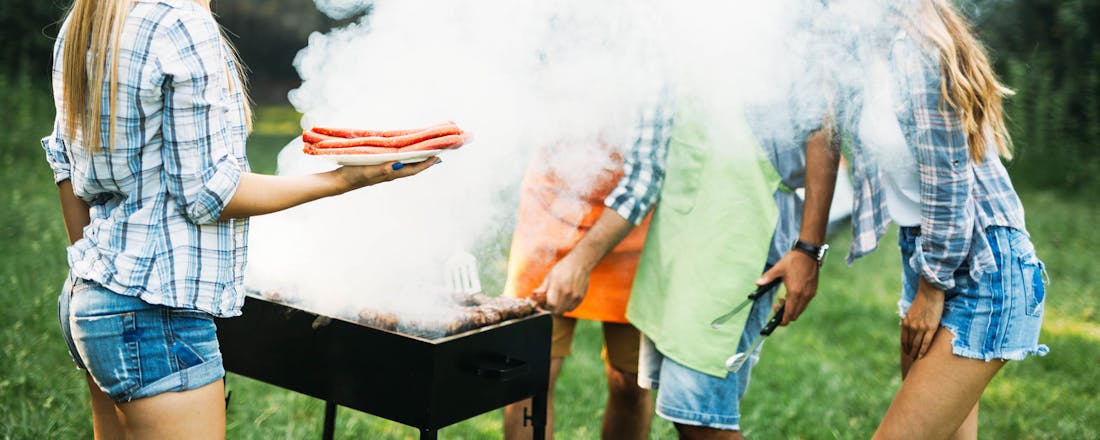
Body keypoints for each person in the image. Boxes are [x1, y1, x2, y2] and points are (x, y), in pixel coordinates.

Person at [44, 0, 439, 438]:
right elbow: (211, 193)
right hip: (157, 317)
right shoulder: (182, 23)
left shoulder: (90, 18)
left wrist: (102, 276)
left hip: (93, 297)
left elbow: (65, 164)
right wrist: (346, 180)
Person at [535, 90, 838, 438]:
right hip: (683, 240)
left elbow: (824, 123)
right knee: (686, 414)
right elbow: (648, 165)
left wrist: (809, 248)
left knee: (700, 418)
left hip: (743, 236)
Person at [842, 1, 1049, 438]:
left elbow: (949, 184)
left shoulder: (915, 51)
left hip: (981, 267)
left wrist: (932, 287)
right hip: (928, 251)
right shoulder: (868, 50)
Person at [501, 140, 657, 439]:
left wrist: (581, 262)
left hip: (631, 221)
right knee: (528, 376)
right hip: (549, 208)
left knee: (631, 382)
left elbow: (646, 176)